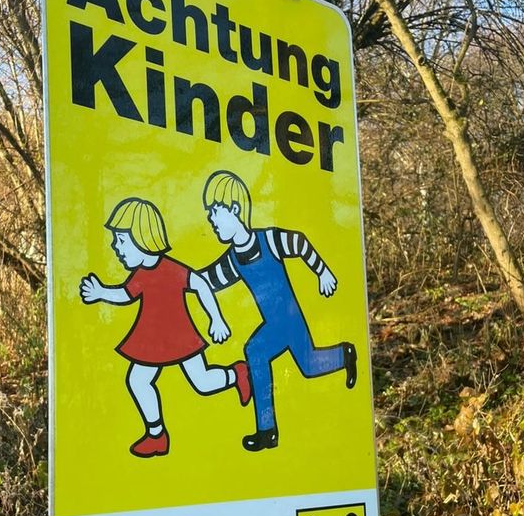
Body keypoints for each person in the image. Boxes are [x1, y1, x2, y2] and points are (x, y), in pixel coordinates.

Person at [80, 197, 251, 458]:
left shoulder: (171, 269)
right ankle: (156, 435)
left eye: (121, 240)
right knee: (138, 380)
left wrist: (216, 319)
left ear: (141, 237)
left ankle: (237, 374)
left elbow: (200, 284)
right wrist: (102, 292)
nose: (115, 246)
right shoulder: (140, 274)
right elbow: (125, 294)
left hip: (180, 337)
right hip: (152, 339)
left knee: (203, 382)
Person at [199, 170, 357, 452]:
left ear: (234, 209)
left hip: (289, 319)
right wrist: (179, 280)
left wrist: (322, 272)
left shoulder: (269, 240)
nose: (211, 220)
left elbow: (299, 243)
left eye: (215, 212)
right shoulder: (234, 259)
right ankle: (343, 355)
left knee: (280, 358)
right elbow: (207, 279)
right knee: (292, 360)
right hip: (276, 322)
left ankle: (268, 429)